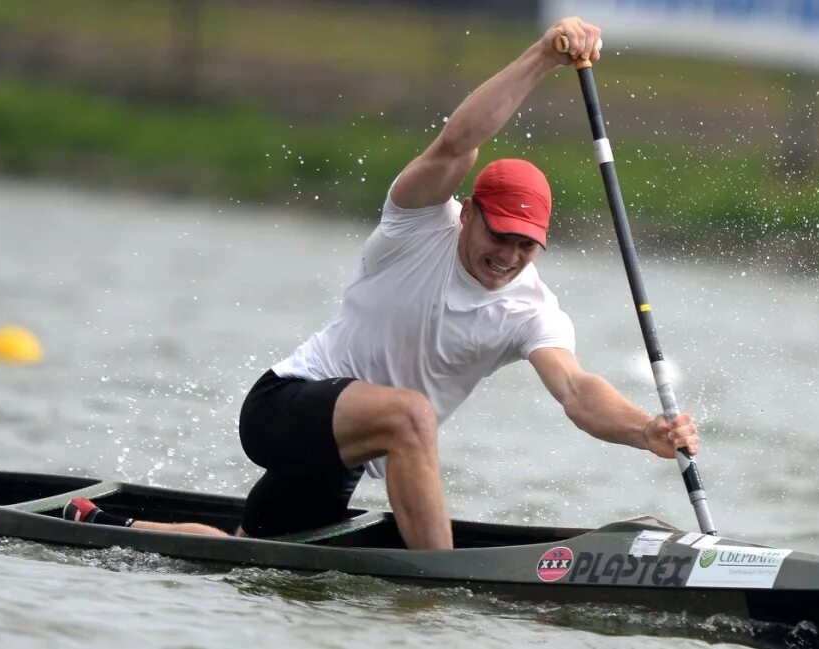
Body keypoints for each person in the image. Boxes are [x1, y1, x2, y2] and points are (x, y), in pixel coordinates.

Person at [64, 16, 700, 549]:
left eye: (524, 245)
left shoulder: (531, 310)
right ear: (469, 211)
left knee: (250, 553)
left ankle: (100, 526)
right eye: (497, 233)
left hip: (345, 459)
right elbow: (458, 140)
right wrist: (541, 56)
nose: (506, 255)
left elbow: (577, 391)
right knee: (411, 416)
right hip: (285, 406)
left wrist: (645, 430)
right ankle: (440, 592)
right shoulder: (417, 223)